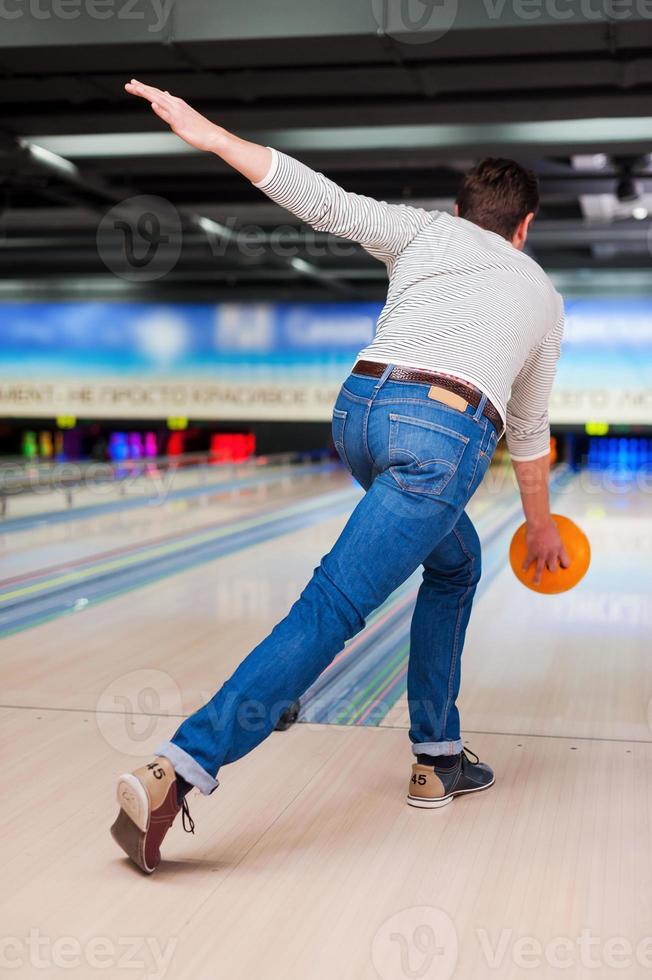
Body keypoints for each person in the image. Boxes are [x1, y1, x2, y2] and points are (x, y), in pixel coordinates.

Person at [111, 79, 569, 874]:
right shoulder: (544, 296)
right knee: (330, 610)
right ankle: (179, 767)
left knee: (456, 564)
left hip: (359, 411)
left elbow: (317, 197)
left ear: (462, 213)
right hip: (442, 434)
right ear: (524, 229)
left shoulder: (425, 232)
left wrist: (209, 133)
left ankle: (439, 754)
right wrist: (540, 525)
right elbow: (527, 433)